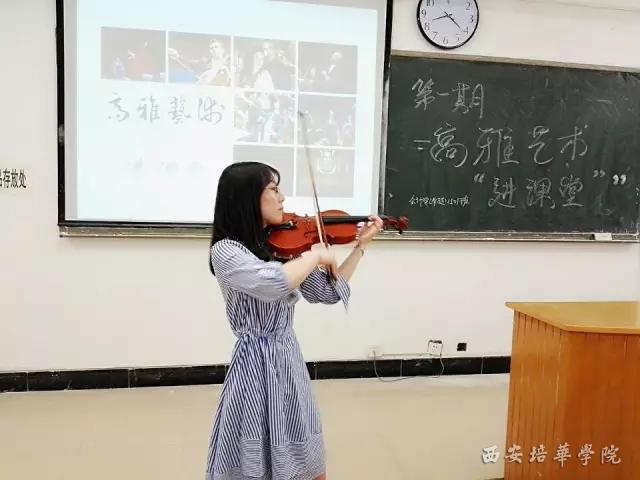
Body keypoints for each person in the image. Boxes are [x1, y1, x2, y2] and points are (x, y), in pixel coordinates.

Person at [205, 162, 383, 480]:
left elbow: (328, 292)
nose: (283, 198)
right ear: (248, 197)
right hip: (254, 364)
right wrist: (314, 255)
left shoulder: (278, 248)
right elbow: (274, 282)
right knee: (255, 445)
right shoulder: (227, 251)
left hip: (288, 358)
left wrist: (360, 246)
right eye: (274, 189)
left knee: (300, 440)